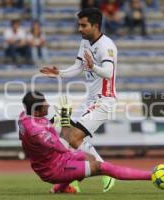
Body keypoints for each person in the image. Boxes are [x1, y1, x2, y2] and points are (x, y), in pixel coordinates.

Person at [40, 8, 117, 192]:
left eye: (84, 25)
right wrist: (59, 73)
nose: (79, 28)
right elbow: (77, 67)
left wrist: (94, 66)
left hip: (104, 100)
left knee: (73, 136)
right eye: (79, 25)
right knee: (66, 136)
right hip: (90, 99)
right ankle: (71, 181)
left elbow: (109, 72)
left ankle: (103, 170)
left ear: (95, 26)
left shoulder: (107, 45)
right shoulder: (84, 42)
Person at [18, 91, 153, 194]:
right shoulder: (37, 131)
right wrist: (65, 118)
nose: (47, 105)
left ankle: (60, 188)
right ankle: (152, 176)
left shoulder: (24, 116)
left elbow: (45, 129)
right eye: (44, 104)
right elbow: (63, 147)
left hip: (54, 159)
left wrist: (58, 119)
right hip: (54, 169)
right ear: (36, 110)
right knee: (102, 167)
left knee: (88, 157)